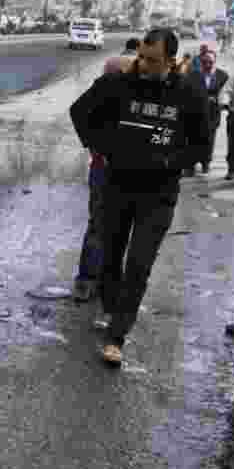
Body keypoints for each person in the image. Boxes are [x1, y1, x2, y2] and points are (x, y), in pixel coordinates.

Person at [70, 28, 211, 366]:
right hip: (117, 185)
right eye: (142, 57)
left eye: (154, 61)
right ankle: (109, 306)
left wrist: (169, 161)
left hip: (158, 194)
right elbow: (80, 113)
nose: (144, 65)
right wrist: (102, 146)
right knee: (110, 257)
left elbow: (201, 144)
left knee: (139, 264)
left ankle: (117, 336)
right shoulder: (118, 84)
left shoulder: (189, 94)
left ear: (171, 61)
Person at [72, 44, 138, 305]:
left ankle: (101, 281)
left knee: (111, 226)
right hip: (107, 169)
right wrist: (95, 147)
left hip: (124, 169)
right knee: (102, 224)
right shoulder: (107, 90)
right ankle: (91, 280)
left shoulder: (133, 94)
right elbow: (79, 112)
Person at [184, 49, 227, 176]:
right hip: (195, 114)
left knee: (209, 140)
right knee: (193, 140)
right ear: (201, 62)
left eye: (210, 62)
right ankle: (190, 165)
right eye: (204, 62)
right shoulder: (193, 75)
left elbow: (226, 94)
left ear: (215, 61)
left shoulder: (222, 76)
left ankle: (205, 163)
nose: (207, 64)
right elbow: (187, 93)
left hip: (212, 115)